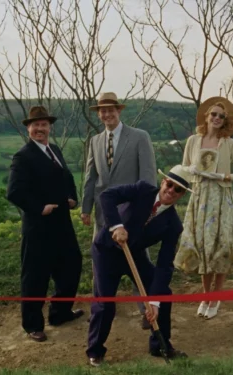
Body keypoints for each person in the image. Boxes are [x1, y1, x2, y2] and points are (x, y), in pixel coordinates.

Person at [86, 165, 192, 367]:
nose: (171, 191)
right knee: (105, 302)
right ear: (163, 182)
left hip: (134, 255)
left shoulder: (173, 225)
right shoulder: (143, 189)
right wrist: (117, 226)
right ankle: (95, 350)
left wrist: (154, 301)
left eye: (178, 189)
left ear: (182, 195)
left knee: (163, 296)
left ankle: (160, 346)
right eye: (170, 184)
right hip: (107, 250)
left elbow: (164, 265)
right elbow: (107, 196)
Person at [6, 105, 83, 342]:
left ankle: (60, 313)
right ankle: (32, 325)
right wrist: (40, 208)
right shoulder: (23, 156)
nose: (40, 129)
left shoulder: (55, 150)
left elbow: (67, 178)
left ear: (49, 127)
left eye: (44, 125)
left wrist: (72, 198)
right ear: (28, 128)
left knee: (71, 265)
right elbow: (14, 192)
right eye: (35, 125)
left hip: (62, 223)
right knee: (35, 276)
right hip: (38, 226)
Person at [81, 92, 157, 329]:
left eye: (110, 109)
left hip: (132, 213)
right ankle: (99, 309)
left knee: (138, 259)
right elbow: (90, 177)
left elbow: (148, 177)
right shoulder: (94, 141)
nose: (106, 114)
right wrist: (85, 208)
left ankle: (147, 309)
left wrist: (148, 209)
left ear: (119, 111)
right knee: (99, 261)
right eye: (102, 111)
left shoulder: (139, 137)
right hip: (104, 214)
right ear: (99, 114)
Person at [174, 97, 233, 320]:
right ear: (206, 117)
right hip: (199, 199)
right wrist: (192, 171)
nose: (217, 118)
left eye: (221, 116)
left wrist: (223, 176)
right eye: (213, 115)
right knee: (202, 248)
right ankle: (205, 296)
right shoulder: (193, 141)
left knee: (221, 248)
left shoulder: (229, 143)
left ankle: (216, 298)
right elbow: (184, 169)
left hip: (221, 199)